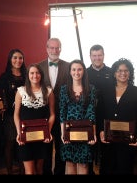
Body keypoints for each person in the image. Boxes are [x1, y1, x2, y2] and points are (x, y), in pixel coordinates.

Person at [97, 58, 137, 174]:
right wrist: (100, 131)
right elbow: (100, 113)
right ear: (114, 73)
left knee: (125, 168)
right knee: (107, 168)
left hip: (128, 141)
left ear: (130, 73)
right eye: (119, 71)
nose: (123, 73)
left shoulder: (135, 92)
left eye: (126, 70)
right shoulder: (106, 91)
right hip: (108, 139)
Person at [14, 63, 55, 174]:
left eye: (37, 73)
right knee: (30, 171)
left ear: (41, 75)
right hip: (25, 137)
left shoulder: (49, 91)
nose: (35, 75)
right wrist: (19, 133)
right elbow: (16, 115)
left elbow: (52, 114)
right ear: (28, 75)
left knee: (39, 169)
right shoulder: (20, 91)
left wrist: (48, 132)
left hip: (42, 137)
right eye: (32, 73)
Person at [59, 59, 97, 174]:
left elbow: (91, 113)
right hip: (68, 131)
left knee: (84, 165)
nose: (77, 72)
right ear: (70, 72)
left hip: (85, 132)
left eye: (79, 69)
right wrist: (63, 134)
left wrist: (93, 134)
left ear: (84, 71)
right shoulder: (64, 89)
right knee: (70, 163)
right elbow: (62, 113)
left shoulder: (91, 89)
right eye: (74, 69)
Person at [38, 37, 69, 175]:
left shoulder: (69, 67)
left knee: (61, 146)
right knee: (45, 146)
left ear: (60, 49)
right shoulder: (38, 67)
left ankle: (59, 172)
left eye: (57, 48)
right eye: (52, 47)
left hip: (63, 114)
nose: (54, 50)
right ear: (47, 48)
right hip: (45, 114)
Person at [0, 49, 26, 174]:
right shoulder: (4, 77)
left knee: (23, 143)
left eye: (20, 58)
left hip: (26, 114)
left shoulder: (27, 74)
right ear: (10, 59)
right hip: (10, 115)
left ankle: (22, 169)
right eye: (15, 57)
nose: (18, 60)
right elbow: (1, 96)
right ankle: (9, 170)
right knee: (10, 143)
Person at [86, 44, 112, 174]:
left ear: (103, 55)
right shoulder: (84, 73)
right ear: (90, 56)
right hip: (89, 116)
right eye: (94, 55)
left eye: (99, 55)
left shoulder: (112, 72)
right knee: (90, 147)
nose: (97, 58)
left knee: (106, 148)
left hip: (107, 115)